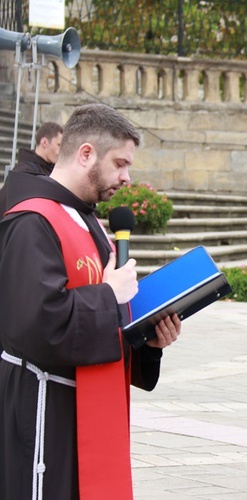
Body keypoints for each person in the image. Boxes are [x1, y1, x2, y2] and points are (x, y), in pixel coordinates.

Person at [0, 103, 181, 500]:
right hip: (46, 410)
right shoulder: (32, 220)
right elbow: (34, 323)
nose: (126, 177)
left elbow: (106, 318)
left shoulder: (86, 221)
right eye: (120, 163)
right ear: (85, 154)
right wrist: (108, 294)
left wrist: (147, 341)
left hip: (91, 404)